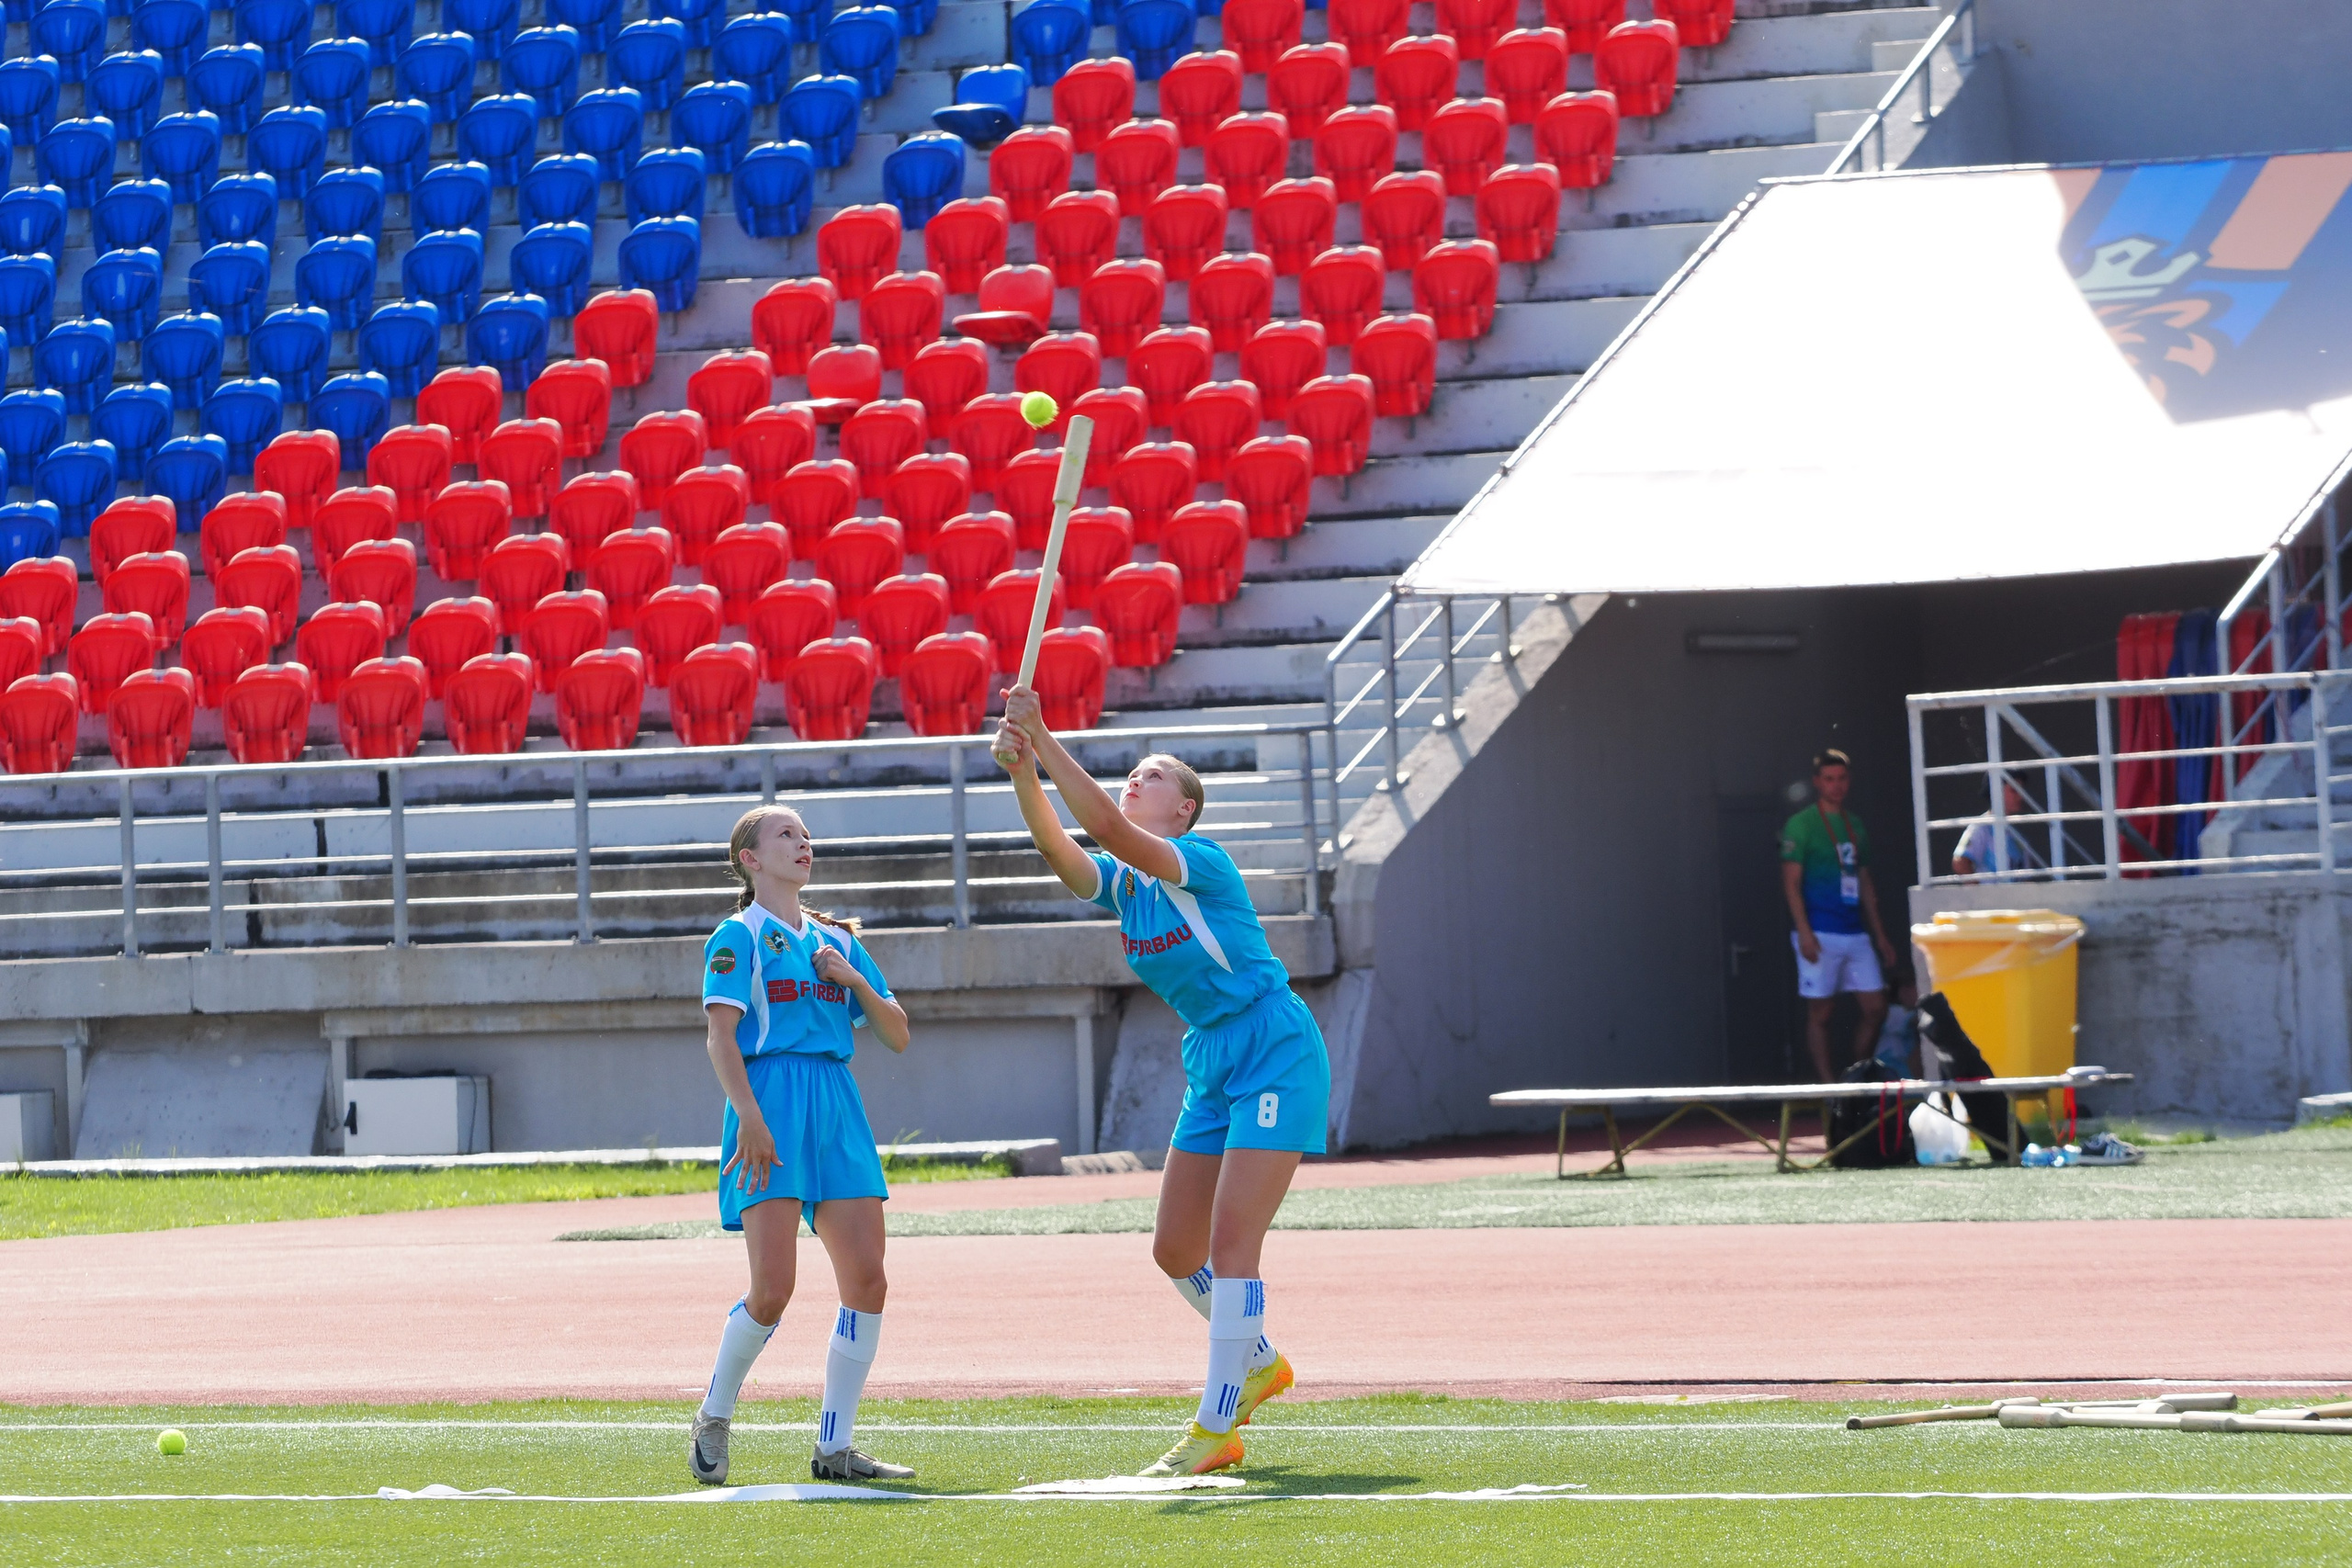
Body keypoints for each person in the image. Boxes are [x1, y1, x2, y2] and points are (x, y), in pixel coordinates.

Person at [994, 687, 1328, 1478]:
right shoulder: (1127, 884)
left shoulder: (1199, 862)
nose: (1134, 781)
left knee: (1232, 1241)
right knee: (1175, 1247)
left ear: (1184, 811)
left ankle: (1216, 1426)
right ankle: (1258, 1361)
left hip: (1274, 1045)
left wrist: (1041, 733)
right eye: (1133, 772)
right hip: (1211, 1056)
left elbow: (1104, 826)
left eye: (1153, 776)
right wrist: (1022, 772)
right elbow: (1064, 850)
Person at [688, 805, 914, 1488]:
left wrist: (853, 980)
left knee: (868, 1279)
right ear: (750, 859)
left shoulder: (837, 938)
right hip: (771, 1101)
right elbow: (721, 1036)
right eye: (785, 833)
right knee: (773, 1289)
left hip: (835, 1102)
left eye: (806, 832)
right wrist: (749, 1116)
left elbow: (898, 1033)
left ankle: (834, 1445)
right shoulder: (738, 934)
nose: (802, 841)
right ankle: (714, 1413)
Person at [1779, 748, 1899, 1081]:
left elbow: (1863, 879)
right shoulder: (1801, 824)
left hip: (1855, 931)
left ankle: (1856, 1076)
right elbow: (1791, 882)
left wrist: (1881, 936)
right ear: (1817, 782)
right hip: (1819, 929)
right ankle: (1829, 1088)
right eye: (1829, 779)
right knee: (1822, 1011)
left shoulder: (1855, 824)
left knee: (1876, 1008)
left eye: (1842, 778)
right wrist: (1803, 931)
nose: (1836, 786)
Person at [1952, 782, 2040, 878]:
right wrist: (1979, 892)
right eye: (2014, 790)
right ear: (1997, 791)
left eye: (2021, 790)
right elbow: (1960, 862)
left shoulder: (2018, 836)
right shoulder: (1981, 827)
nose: (2020, 796)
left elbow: (2025, 880)